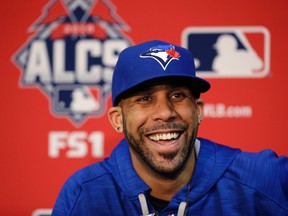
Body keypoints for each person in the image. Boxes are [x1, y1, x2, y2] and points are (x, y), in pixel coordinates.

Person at [52, 40, 288, 215]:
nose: (165, 112)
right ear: (117, 119)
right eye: (144, 99)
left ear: (198, 111)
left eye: (177, 95)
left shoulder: (263, 178)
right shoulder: (84, 194)